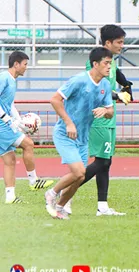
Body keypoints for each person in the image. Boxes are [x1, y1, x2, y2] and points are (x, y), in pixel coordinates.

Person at [44, 47, 114, 220]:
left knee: (79, 178)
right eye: (106, 63)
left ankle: (60, 208)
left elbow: (110, 111)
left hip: (82, 138)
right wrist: (69, 123)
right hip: (65, 134)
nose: (109, 67)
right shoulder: (79, 80)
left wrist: (104, 111)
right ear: (95, 64)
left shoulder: (105, 84)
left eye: (110, 64)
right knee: (78, 172)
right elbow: (55, 99)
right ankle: (52, 193)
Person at [69, 24, 132, 217]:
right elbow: (95, 89)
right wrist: (118, 96)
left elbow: (120, 78)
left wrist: (127, 86)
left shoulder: (111, 63)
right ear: (108, 43)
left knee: (106, 162)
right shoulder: (96, 63)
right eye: (119, 42)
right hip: (98, 118)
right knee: (102, 161)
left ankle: (102, 207)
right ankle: (63, 193)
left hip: (109, 117)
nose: (122, 46)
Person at [0, 51, 53, 204]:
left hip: (4, 124)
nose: (26, 68)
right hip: (1, 125)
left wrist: (19, 121)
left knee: (9, 160)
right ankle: (33, 181)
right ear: (16, 64)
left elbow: (8, 104)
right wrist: (8, 120)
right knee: (28, 144)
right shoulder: (4, 78)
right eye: (25, 64)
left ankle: (10, 197)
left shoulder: (12, 80)